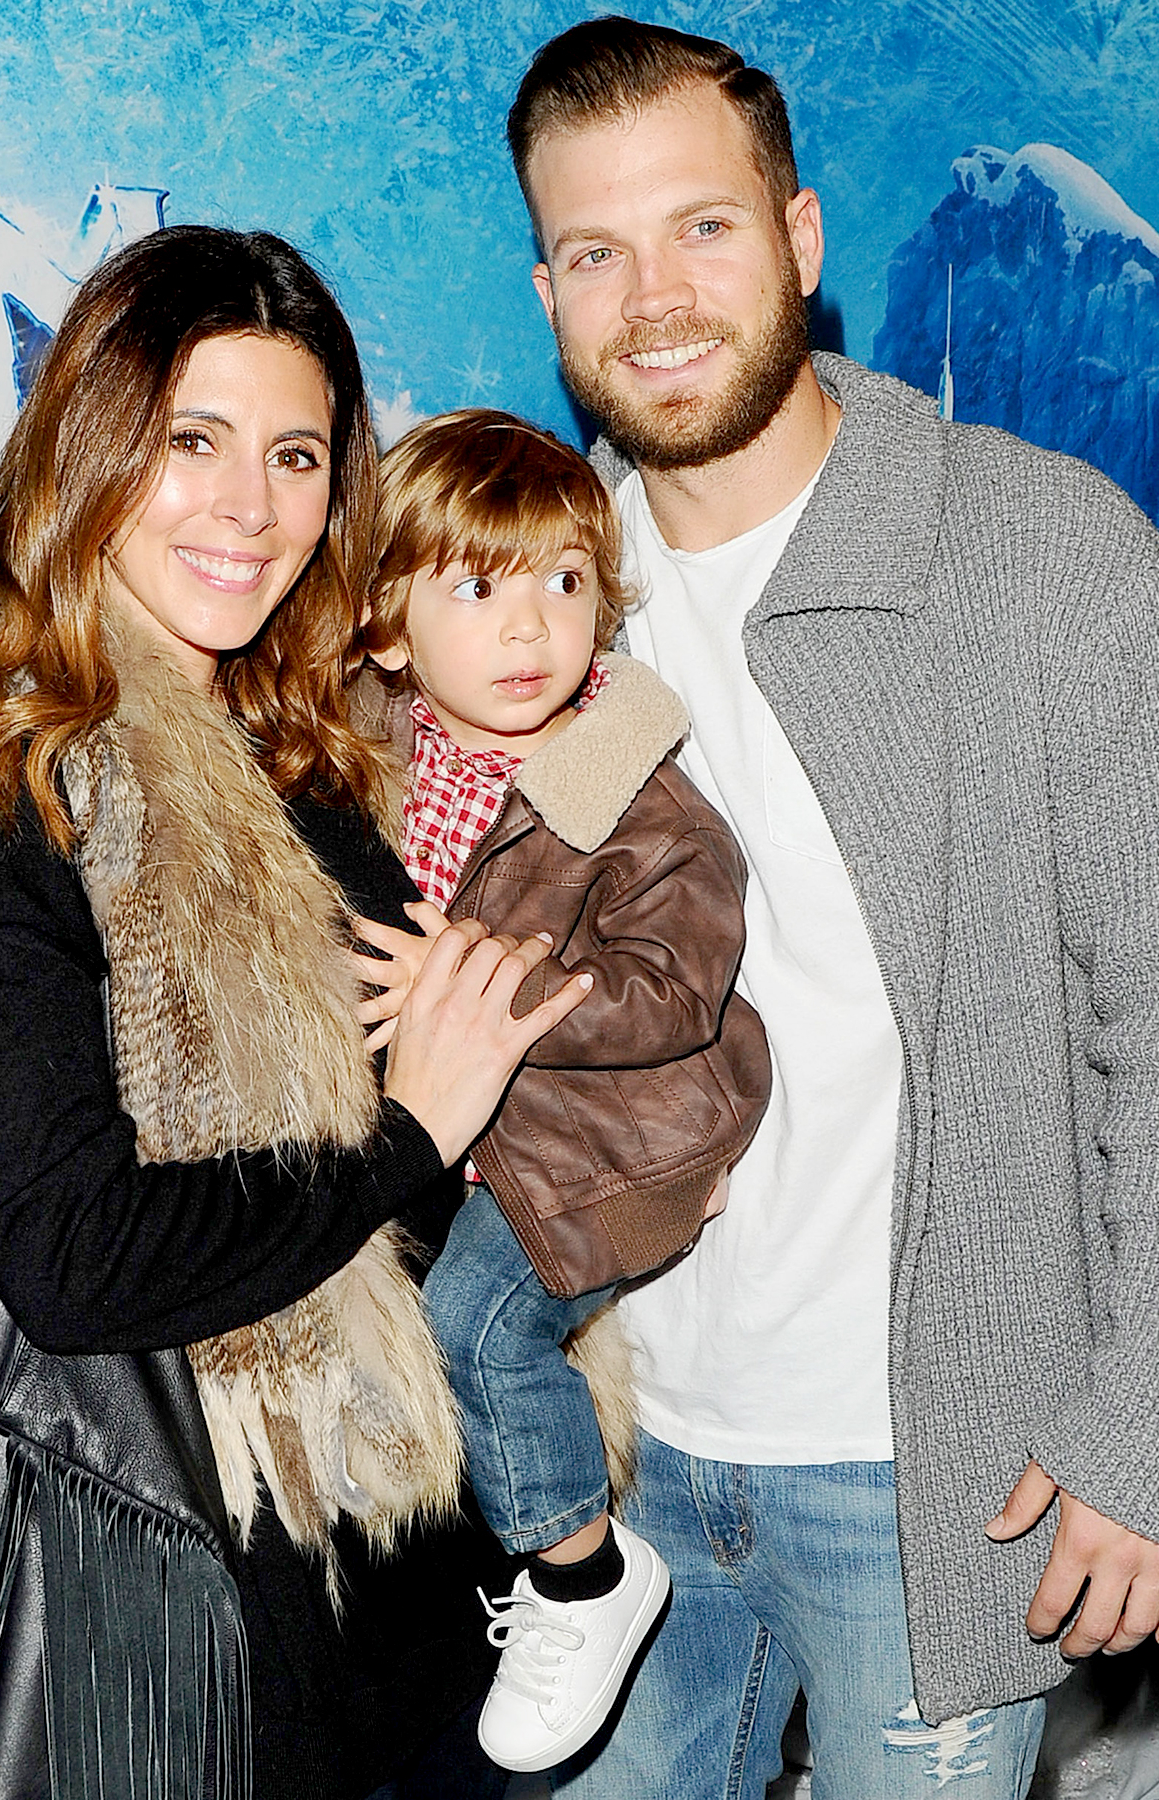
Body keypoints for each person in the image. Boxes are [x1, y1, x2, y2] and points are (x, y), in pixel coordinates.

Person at [500, 18, 1159, 1799]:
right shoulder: (555, 609)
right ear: (546, 288)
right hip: (621, 1467)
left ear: (796, 239)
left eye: (701, 228)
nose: (654, 298)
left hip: (929, 1473)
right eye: (594, 250)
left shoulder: (1039, 552)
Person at [0, 226, 591, 1800]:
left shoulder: (308, 756)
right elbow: (74, 1259)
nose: (249, 509)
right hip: (181, 1614)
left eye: (294, 456)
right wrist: (414, 1129)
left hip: (405, 1580)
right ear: (93, 449)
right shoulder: (11, 780)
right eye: (191, 442)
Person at [347, 409, 771, 1773]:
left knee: (477, 1330)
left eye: (564, 582)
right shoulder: (388, 758)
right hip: (475, 1128)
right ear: (390, 630)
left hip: (621, 1135)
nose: (531, 625)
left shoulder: (635, 796)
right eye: (479, 586)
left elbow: (674, 992)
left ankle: (584, 1581)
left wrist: (474, 991)